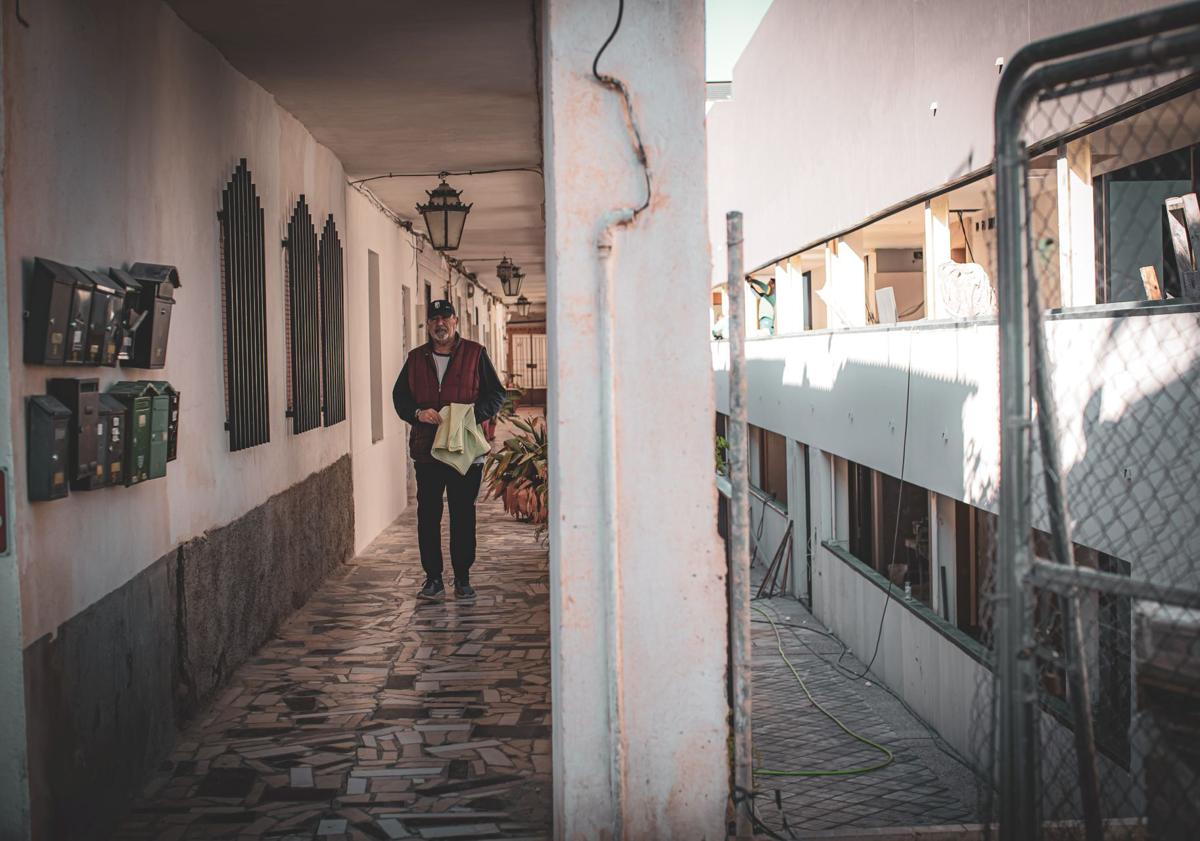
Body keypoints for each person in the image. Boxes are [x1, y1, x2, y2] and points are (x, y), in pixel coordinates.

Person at [393, 300, 506, 602]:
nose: (440, 323)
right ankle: (432, 579)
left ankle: (463, 578)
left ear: (456, 321)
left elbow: (497, 394)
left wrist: (470, 415)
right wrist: (417, 413)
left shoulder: (475, 353)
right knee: (428, 515)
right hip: (428, 451)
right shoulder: (416, 359)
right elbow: (400, 396)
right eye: (434, 319)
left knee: (462, 513)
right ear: (428, 324)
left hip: (465, 451)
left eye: (445, 318)